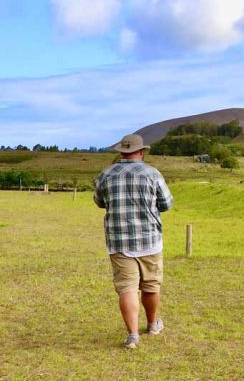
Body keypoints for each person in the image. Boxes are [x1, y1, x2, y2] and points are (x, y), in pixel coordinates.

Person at [94, 134, 173, 349]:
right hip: (149, 240)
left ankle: (133, 336)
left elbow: (99, 201)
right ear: (141, 151)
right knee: (151, 285)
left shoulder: (106, 174)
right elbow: (166, 203)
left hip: (119, 241)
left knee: (127, 288)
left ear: (121, 151)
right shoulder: (152, 173)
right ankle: (153, 324)